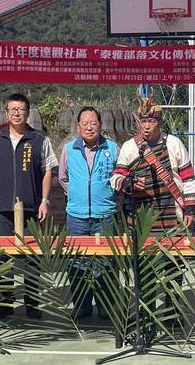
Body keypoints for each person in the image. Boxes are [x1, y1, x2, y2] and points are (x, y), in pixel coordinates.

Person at [0, 93, 58, 318]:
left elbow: (47, 171)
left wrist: (44, 201)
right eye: (12, 109)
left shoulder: (39, 139)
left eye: (21, 109)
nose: (16, 113)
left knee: (32, 256)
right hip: (3, 207)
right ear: (6, 113)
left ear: (28, 112)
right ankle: (5, 304)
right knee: (3, 257)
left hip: (31, 206)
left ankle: (32, 303)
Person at [58, 106, 118, 319]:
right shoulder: (69, 149)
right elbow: (62, 177)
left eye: (93, 123)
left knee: (105, 262)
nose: (89, 127)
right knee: (77, 262)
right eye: (85, 123)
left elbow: (119, 177)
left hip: (105, 215)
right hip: (76, 216)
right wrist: (77, 193)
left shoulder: (113, 148)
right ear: (78, 126)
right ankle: (82, 305)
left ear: (100, 125)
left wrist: (105, 195)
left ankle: (105, 306)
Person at [110, 90, 195, 231]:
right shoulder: (129, 147)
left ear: (160, 123)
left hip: (173, 214)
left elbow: (188, 178)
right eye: (143, 121)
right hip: (140, 216)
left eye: (151, 121)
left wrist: (190, 209)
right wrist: (128, 183)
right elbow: (116, 177)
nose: (146, 126)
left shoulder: (174, 143)